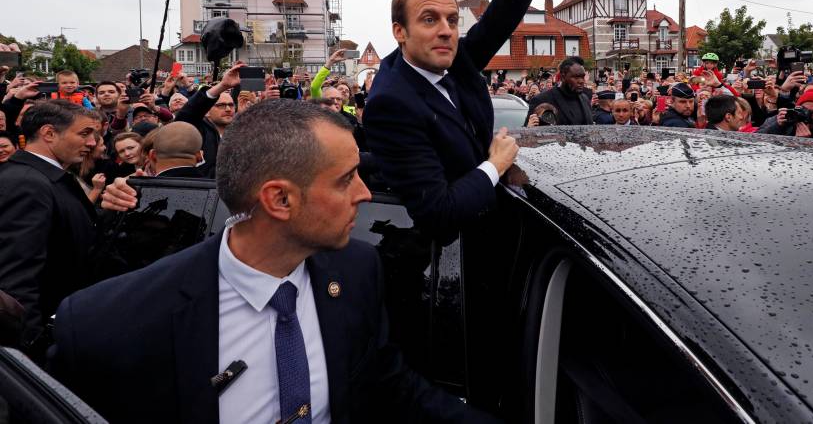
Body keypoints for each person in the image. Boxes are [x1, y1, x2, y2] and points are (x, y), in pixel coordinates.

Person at [49, 100, 499, 424]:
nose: (364, 194)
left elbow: (390, 384)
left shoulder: (357, 270)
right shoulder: (106, 326)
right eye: (346, 180)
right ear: (279, 199)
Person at [363, 0, 566, 243]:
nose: (446, 30)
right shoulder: (391, 104)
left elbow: (503, 13)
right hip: (450, 261)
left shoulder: (453, 58)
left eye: (452, 20)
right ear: (399, 32)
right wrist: (495, 163)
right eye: (429, 19)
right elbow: (438, 215)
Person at [0, 101, 98, 358]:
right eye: (84, 133)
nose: (92, 143)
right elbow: (17, 278)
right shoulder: (26, 184)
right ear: (49, 133)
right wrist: (29, 354)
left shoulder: (45, 178)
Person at [175, 62, 244, 178]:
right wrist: (223, 86)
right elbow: (185, 117)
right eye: (221, 105)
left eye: (231, 105)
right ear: (207, 111)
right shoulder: (199, 131)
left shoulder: (241, 132)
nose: (228, 109)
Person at [527, 57, 593, 125]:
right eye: (576, 77)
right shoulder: (542, 100)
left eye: (582, 77)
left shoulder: (585, 99)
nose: (581, 81)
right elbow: (528, 131)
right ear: (563, 77)